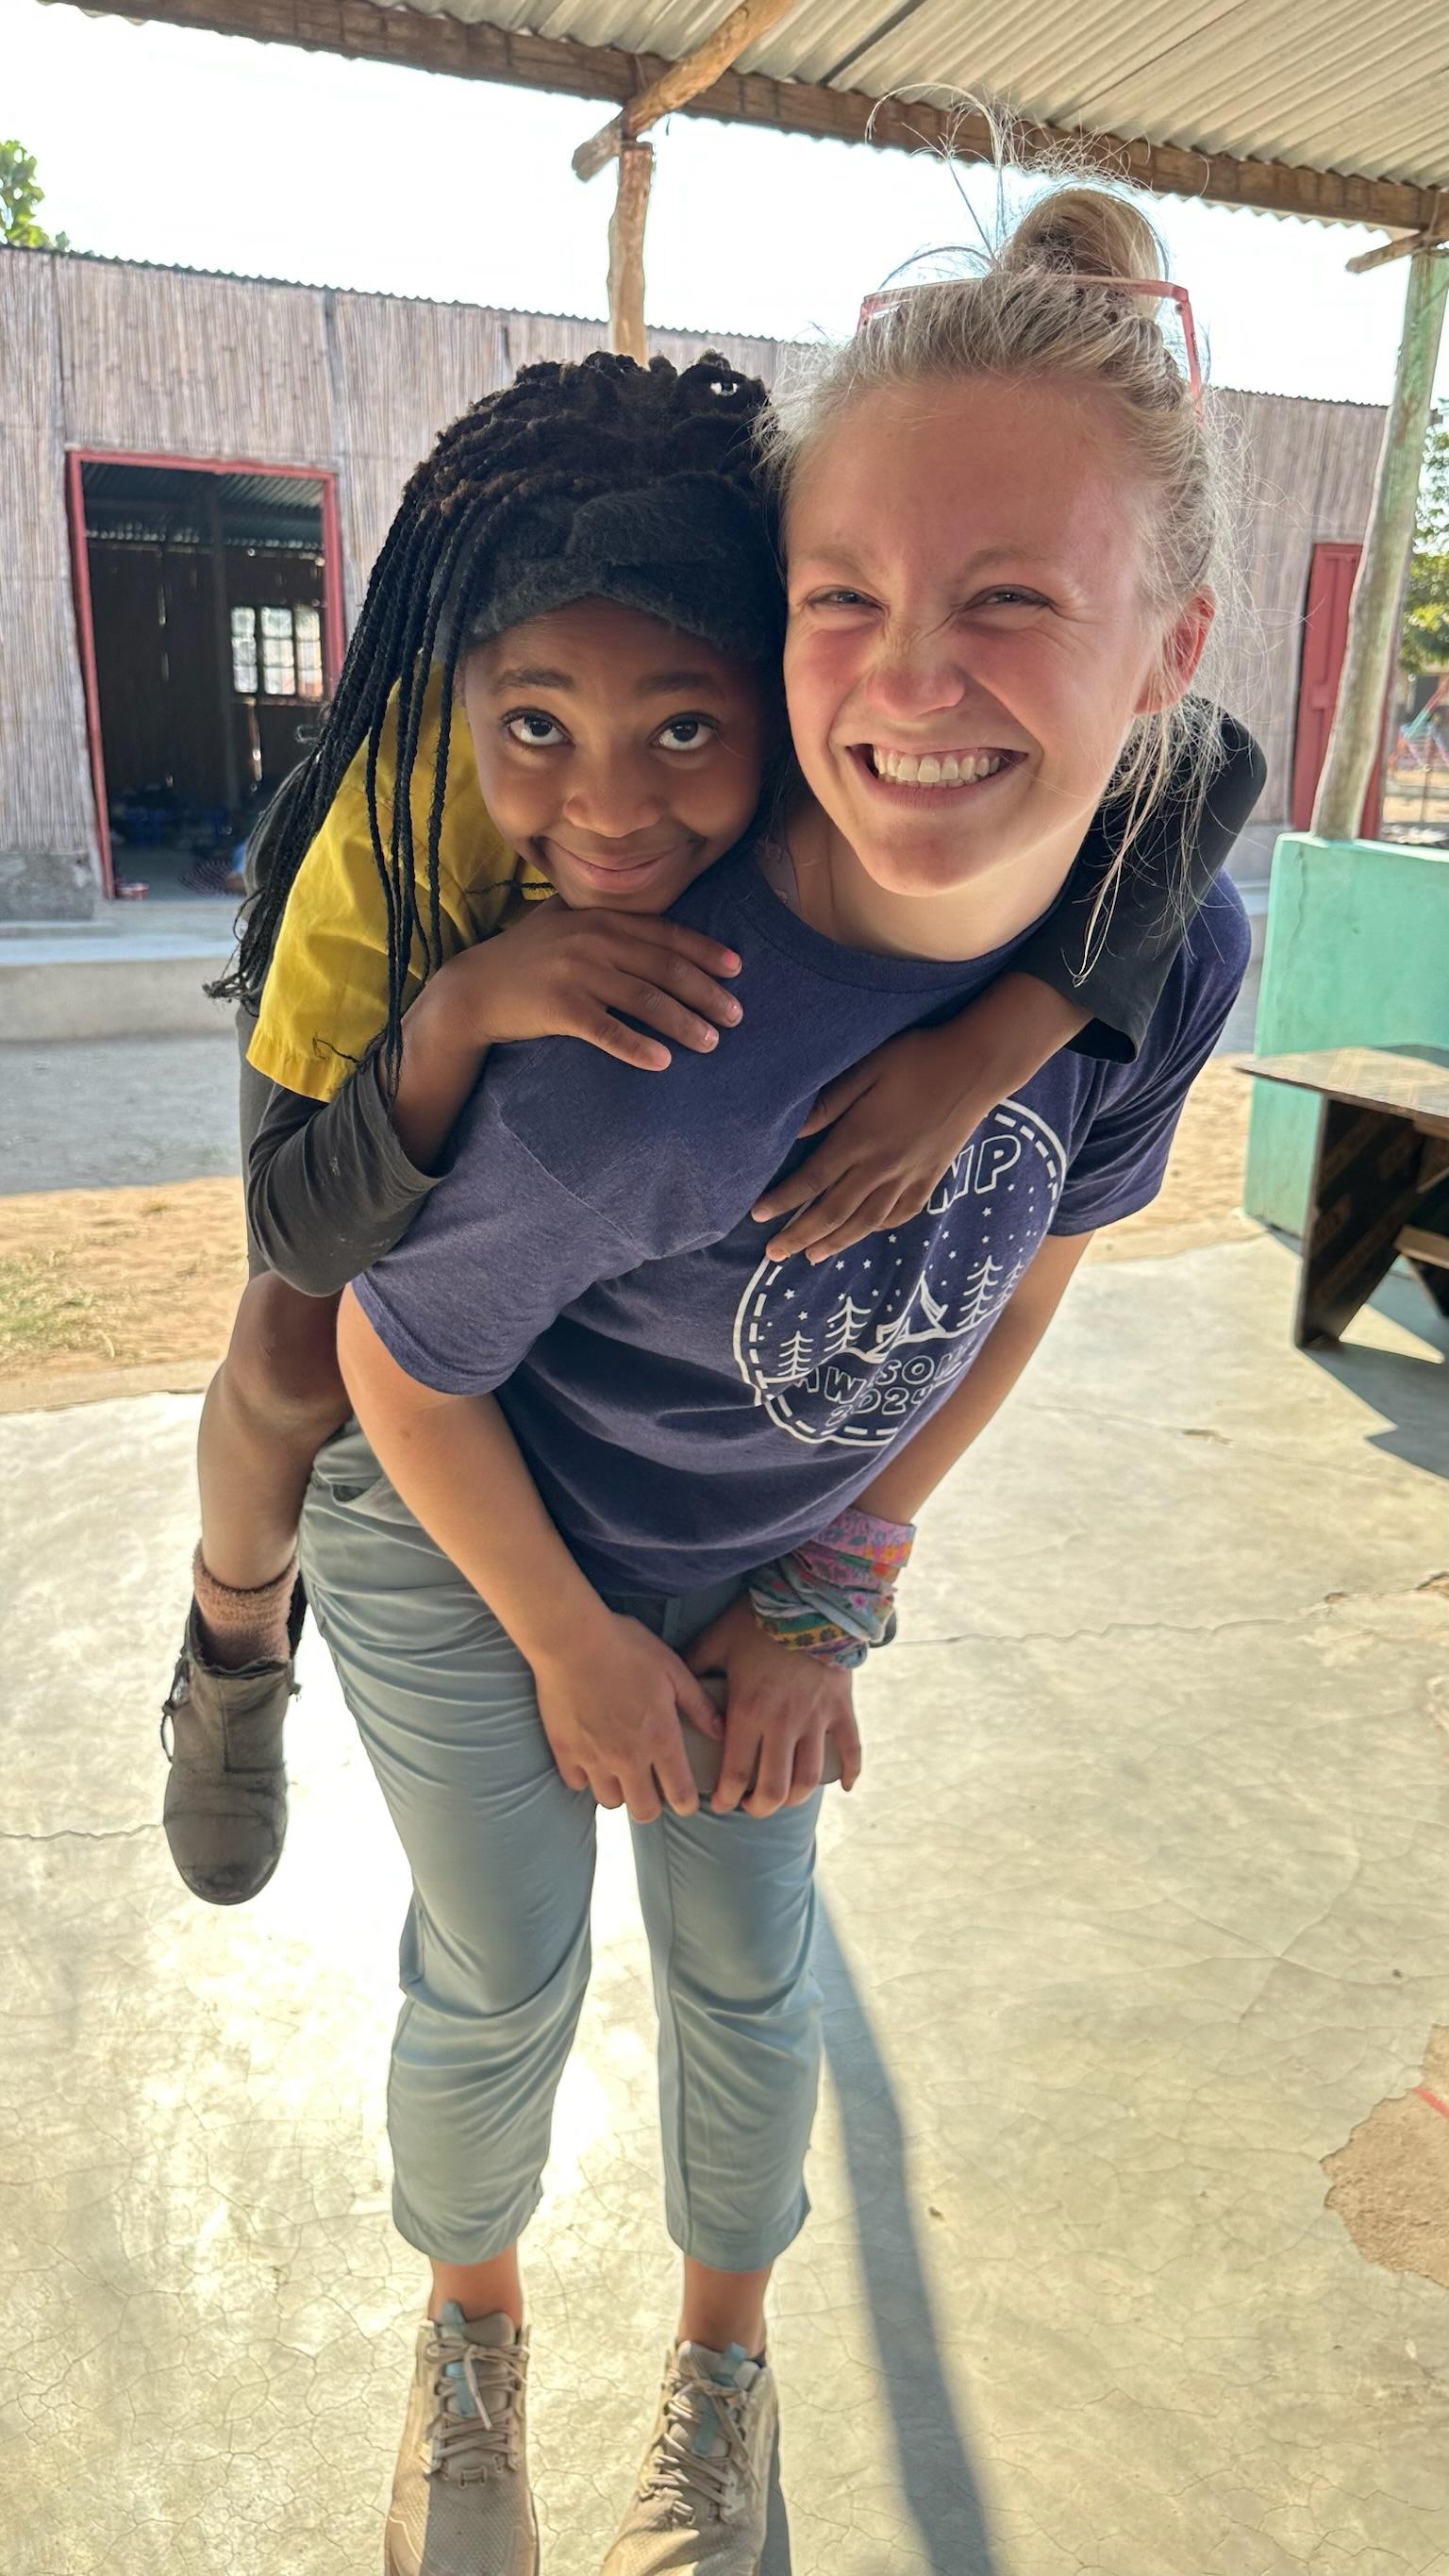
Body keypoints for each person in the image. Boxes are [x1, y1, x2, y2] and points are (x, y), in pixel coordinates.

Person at [292, 183, 1254, 2576]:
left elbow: (1022, 1280)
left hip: (752, 1555)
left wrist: (836, 1571)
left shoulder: (1177, 946)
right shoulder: (656, 1041)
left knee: (748, 1957)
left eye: (1012, 601)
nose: (911, 683)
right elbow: (391, 1364)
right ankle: (472, 2332)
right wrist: (578, 1648)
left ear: (1173, 653)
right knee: (504, 1967)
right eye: (850, 601)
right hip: (466, 1529)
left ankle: (724, 2373)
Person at [160, 351, 1261, 1915]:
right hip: (382, 1176)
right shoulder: (398, 823)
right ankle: (234, 1641)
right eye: (538, 725)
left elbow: (1202, 770)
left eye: (684, 731)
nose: (608, 804)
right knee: (285, 1354)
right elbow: (303, 1224)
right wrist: (464, 1008)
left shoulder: (812, 728)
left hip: (602, 1355)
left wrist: (981, 1058)